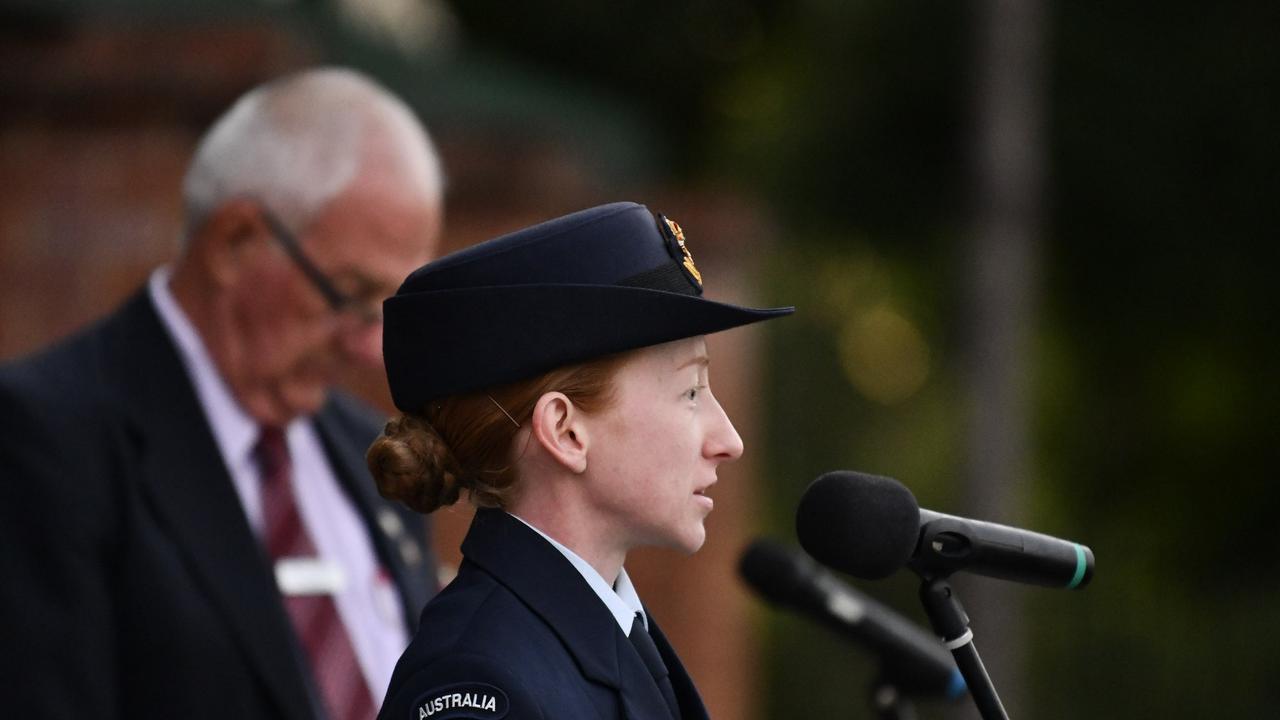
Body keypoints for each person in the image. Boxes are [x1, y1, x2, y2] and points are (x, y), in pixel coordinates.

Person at [0, 67, 443, 720]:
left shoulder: (370, 452)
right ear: (236, 242)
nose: (369, 348)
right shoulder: (44, 439)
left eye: (391, 308)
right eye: (349, 295)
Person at [367, 201, 793, 719]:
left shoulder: (603, 631)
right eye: (690, 391)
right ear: (566, 431)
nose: (728, 440)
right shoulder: (479, 682)